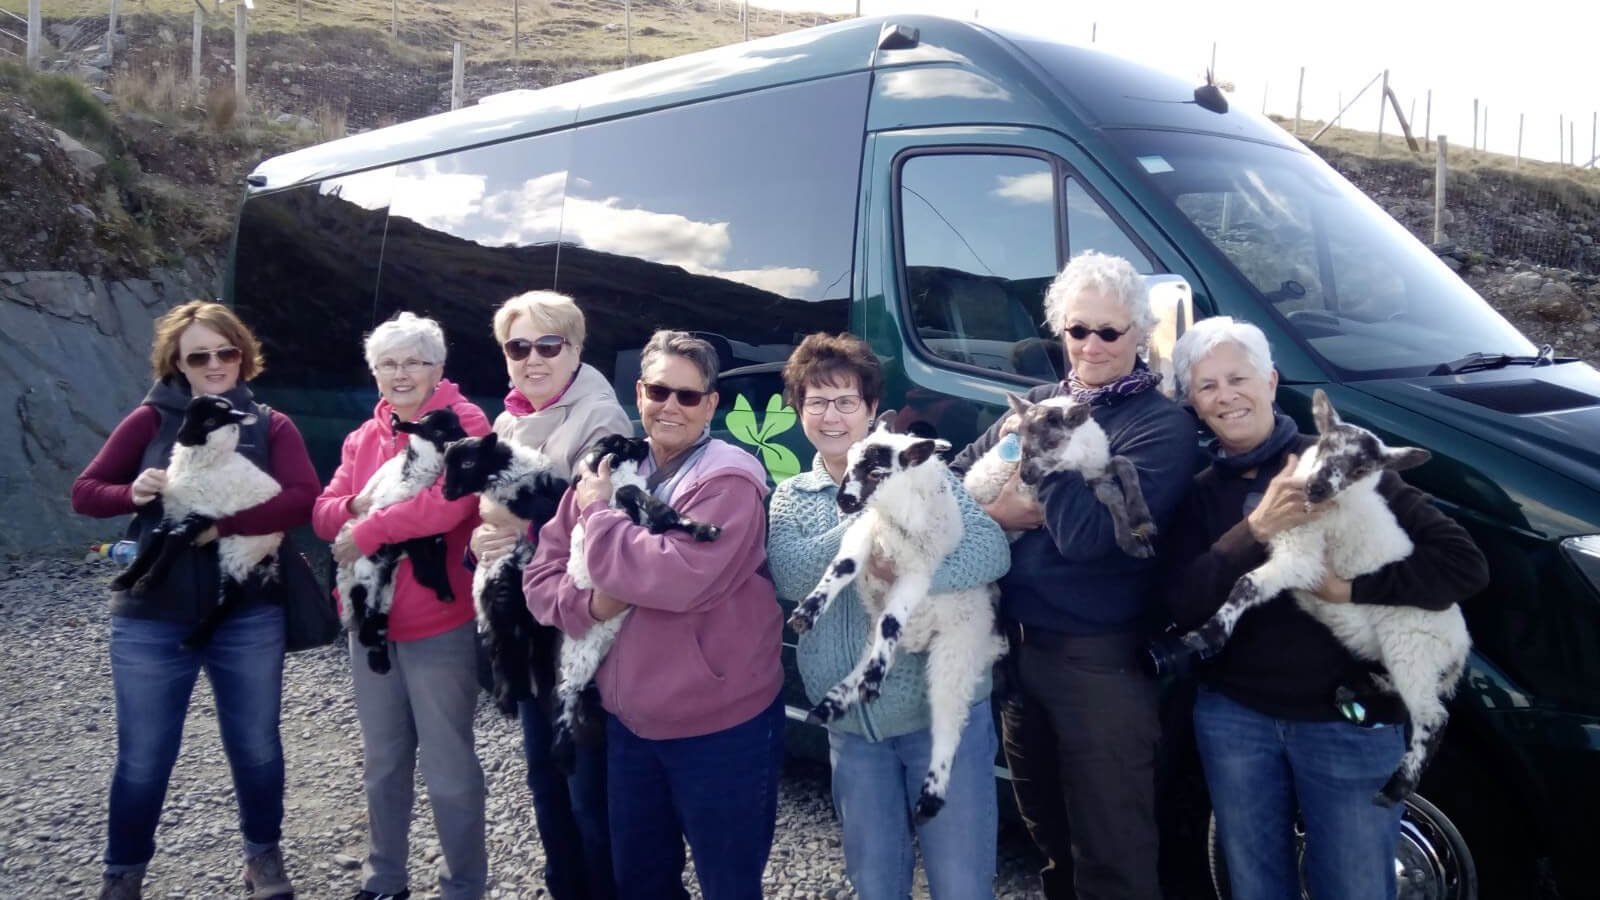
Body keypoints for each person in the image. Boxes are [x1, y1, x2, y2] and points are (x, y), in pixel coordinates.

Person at [1162, 315, 1489, 899]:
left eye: (1239, 378)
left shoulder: (1345, 462)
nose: (1226, 396)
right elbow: (1181, 605)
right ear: (1192, 400)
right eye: (1207, 386)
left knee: (1356, 887)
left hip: (1347, 723)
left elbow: (1464, 565)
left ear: (1270, 381)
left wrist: (1352, 590)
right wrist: (1254, 528)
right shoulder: (1199, 490)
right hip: (1236, 720)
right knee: (1256, 887)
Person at [949, 252, 1195, 900]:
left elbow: (1087, 540)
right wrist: (1002, 508)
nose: (1091, 345)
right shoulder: (1037, 401)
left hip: (1096, 665)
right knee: (1049, 841)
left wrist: (1034, 451)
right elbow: (949, 488)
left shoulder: (1160, 427)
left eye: (1109, 332)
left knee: (1113, 852)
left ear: (1140, 335)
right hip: (1016, 652)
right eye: (1076, 329)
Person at [523, 330, 784, 900]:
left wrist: (597, 516)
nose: (670, 407)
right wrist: (589, 604)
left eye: (688, 397)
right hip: (629, 725)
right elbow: (539, 578)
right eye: (660, 391)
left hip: (720, 724)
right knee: (640, 881)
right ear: (638, 393)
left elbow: (672, 579)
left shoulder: (729, 481)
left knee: (730, 883)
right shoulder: (609, 467)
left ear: (711, 404)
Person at [71, 300, 319, 900]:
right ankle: (123, 873)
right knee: (144, 756)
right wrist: (133, 492)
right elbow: (86, 493)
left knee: (257, 746)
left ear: (242, 354)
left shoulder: (272, 424)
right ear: (177, 363)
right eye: (199, 355)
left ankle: (263, 857)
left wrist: (221, 525)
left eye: (225, 352)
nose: (214, 364)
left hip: (247, 611)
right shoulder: (149, 420)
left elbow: (303, 498)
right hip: (151, 614)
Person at [766, 332, 1011, 899]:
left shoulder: (926, 474)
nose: (832, 416)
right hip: (854, 734)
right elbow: (792, 574)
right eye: (816, 402)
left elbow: (988, 550)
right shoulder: (792, 496)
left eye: (846, 401)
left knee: (962, 884)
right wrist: (869, 517)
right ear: (797, 410)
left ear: (873, 411)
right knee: (875, 884)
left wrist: (906, 570)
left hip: (936, 715)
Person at [311, 312, 493, 900]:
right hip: (370, 622)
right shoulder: (364, 437)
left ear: (439, 368)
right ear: (374, 372)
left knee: (448, 769)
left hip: (439, 621)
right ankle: (384, 879)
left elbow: (451, 506)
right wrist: (353, 508)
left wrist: (367, 531)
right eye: (388, 363)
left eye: (415, 361)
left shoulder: (465, 423)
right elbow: (322, 510)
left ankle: (463, 886)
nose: (401, 373)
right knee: (383, 761)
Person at [468, 290, 631, 900]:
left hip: (578, 630)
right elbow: (496, 508)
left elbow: (596, 526)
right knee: (543, 776)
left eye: (548, 345)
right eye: (518, 347)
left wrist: (516, 522)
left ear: (576, 349)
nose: (532, 359)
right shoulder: (510, 419)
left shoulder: (600, 419)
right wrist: (486, 534)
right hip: (529, 624)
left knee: (590, 791)